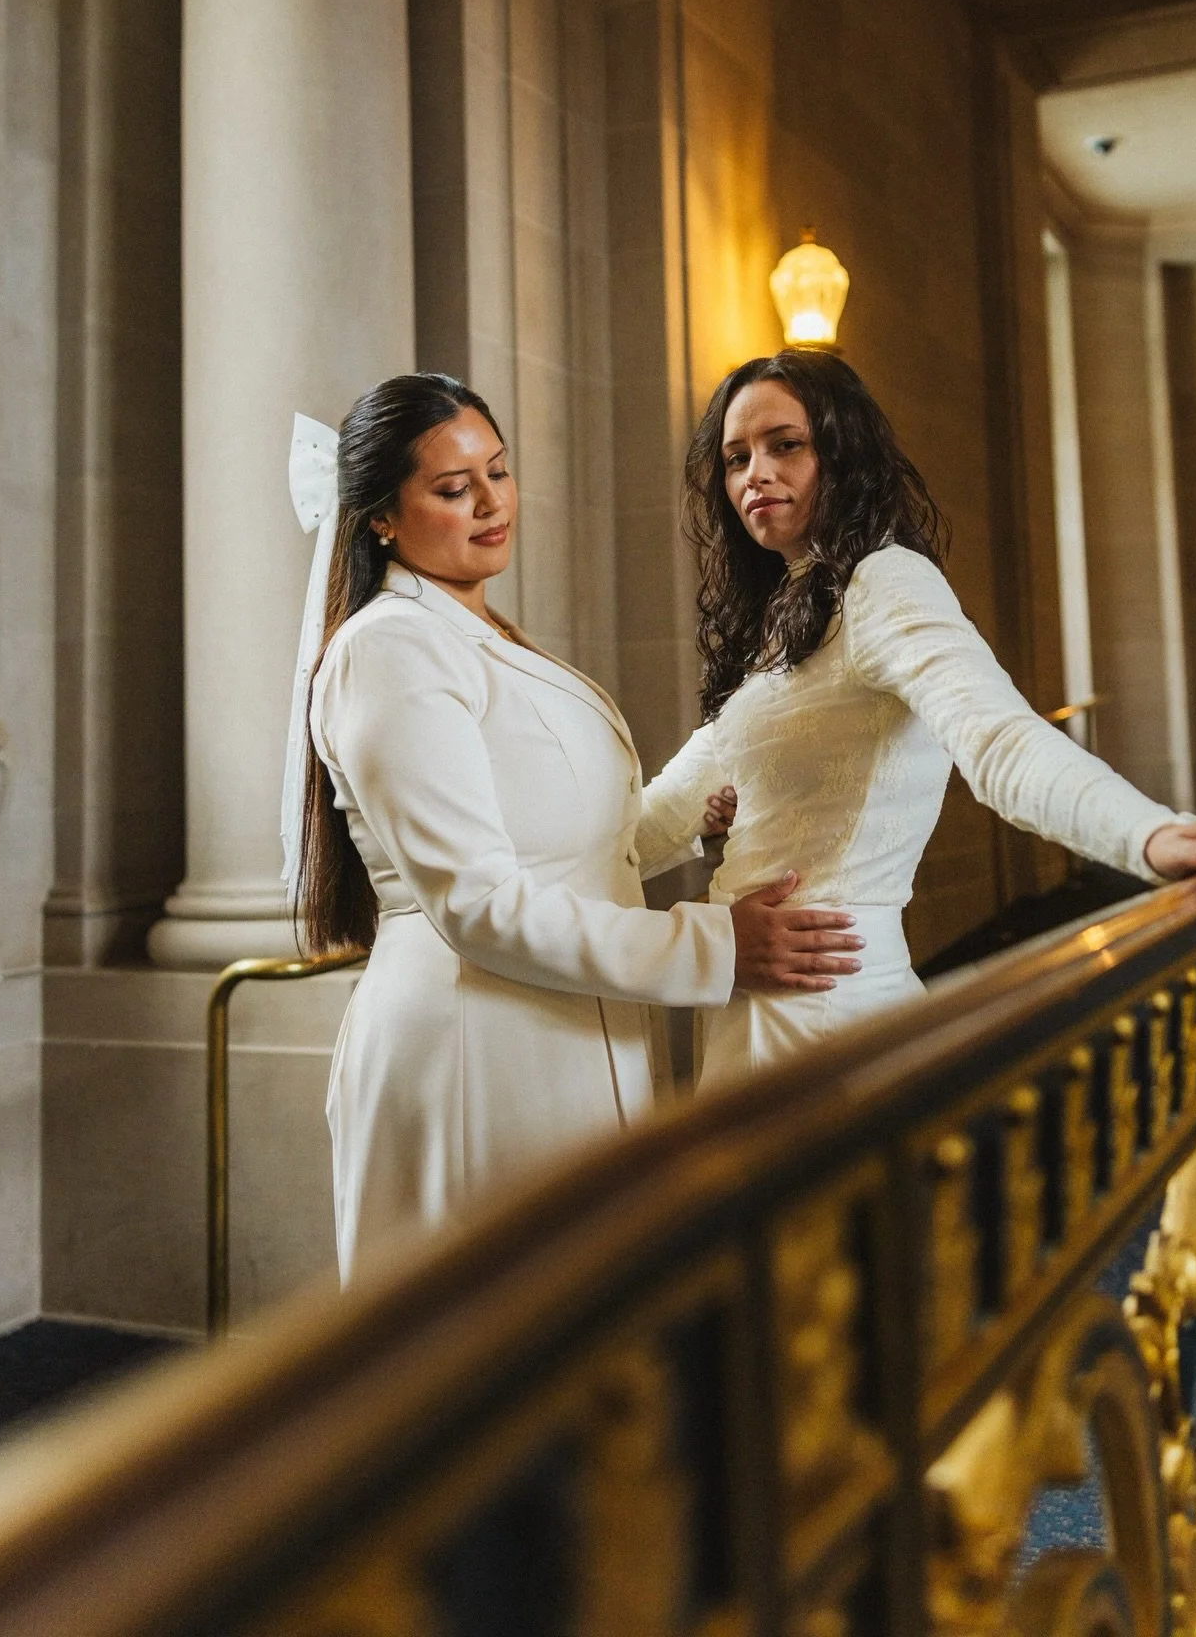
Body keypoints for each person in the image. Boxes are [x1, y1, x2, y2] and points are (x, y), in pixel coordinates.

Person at [285, 373, 862, 1277]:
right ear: (382, 520)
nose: (490, 504)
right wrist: (715, 948)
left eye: (500, 473)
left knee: (576, 1329)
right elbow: (476, 902)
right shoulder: (388, 649)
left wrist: (687, 825)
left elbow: (567, 839)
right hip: (475, 1039)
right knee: (487, 1341)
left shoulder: (479, 634)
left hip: (561, 1014)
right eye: (451, 488)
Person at [640, 350, 1196, 1088]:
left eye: (785, 445)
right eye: (735, 458)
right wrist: (510, 875)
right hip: (751, 999)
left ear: (843, 453)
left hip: (824, 1002)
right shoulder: (780, 617)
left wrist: (1155, 835)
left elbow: (999, 740)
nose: (754, 473)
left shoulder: (883, 582)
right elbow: (663, 814)